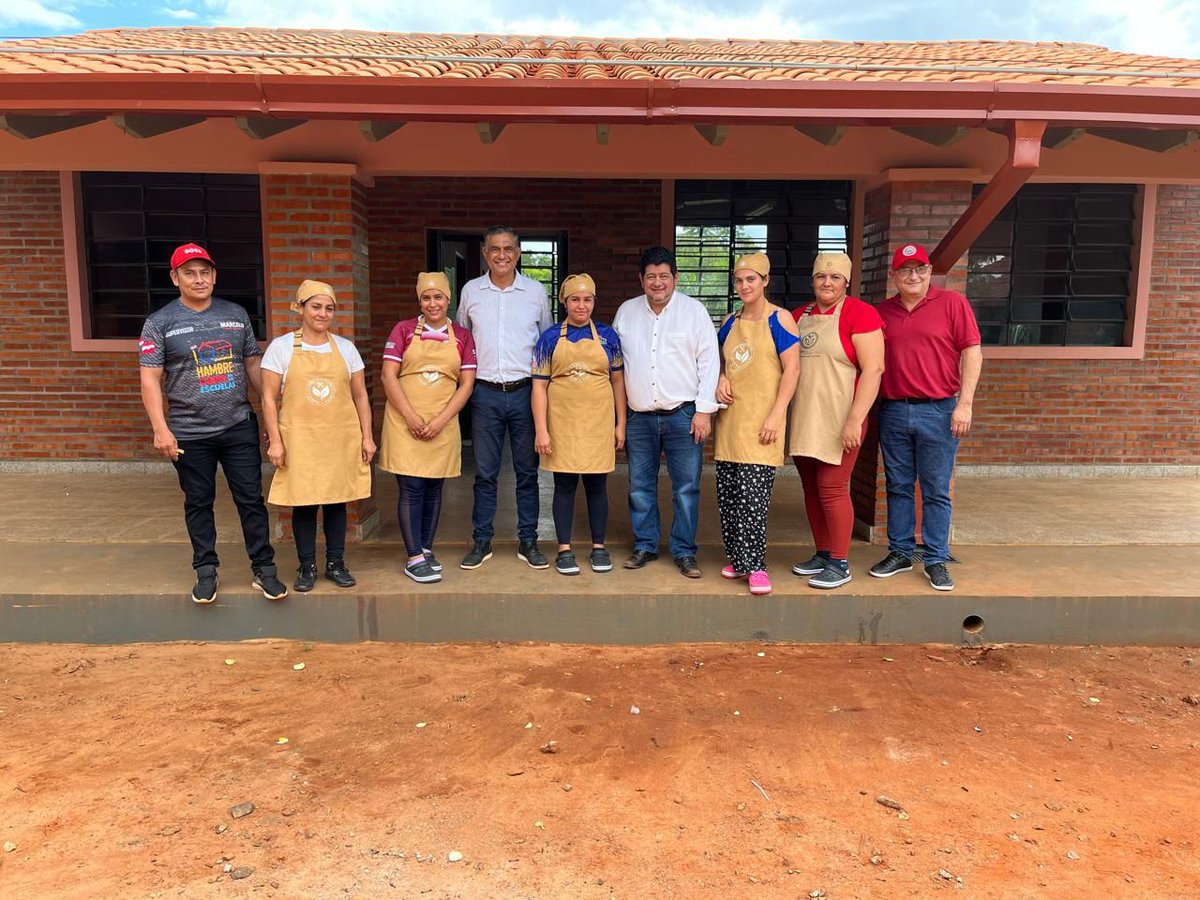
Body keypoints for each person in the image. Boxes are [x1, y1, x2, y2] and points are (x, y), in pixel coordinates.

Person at [138, 243, 288, 604]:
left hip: (237, 424)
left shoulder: (237, 315)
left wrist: (273, 414)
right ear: (175, 278)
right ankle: (206, 571)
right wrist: (161, 428)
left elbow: (253, 365)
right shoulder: (159, 323)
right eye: (189, 272)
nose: (199, 278)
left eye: (205, 272)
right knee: (198, 502)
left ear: (215, 275)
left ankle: (263, 568)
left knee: (251, 499)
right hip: (189, 431)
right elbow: (149, 379)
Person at [869, 243, 983, 592]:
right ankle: (901, 552)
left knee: (935, 489)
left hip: (939, 408)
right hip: (893, 408)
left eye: (919, 269)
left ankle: (935, 558)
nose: (913, 276)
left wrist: (965, 403)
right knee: (898, 485)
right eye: (905, 270)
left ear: (930, 272)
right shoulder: (882, 313)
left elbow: (972, 352)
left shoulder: (952, 304)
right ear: (895, 276)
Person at [260, 280, 375, 592]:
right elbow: (268, 399)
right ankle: (306, 564)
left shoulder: (346, 349)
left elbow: (361, 396)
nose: (323, 313)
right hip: (300, 439)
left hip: (339, 438)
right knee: (305, 503)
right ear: (300, 308)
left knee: (337, 501)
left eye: (329, 308)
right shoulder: (281, 348)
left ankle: (336, 563)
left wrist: (367, 437)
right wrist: (276, 441)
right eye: (316, 306)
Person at [613, 247, 720, 579]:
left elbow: (709, 362)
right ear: (641, 280)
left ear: (676, 277)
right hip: (639, 417)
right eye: (650, 277)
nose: (657, 283)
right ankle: (645, 544)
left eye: (664, 276)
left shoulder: (694, 312)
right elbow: (615, 366)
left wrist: (704, 411)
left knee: (686, 486)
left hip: (683, 414)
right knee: (639, 485)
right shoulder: (627, 312)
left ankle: (684, 551)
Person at [454, 227, 552, 570]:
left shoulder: (536, 292)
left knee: (528, 472)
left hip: (526, 392)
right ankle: (482, 540)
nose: (501, 255)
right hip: (485, 394)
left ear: (519, 252)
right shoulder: (471, 292)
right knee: (485, 473)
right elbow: (460, 340)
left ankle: (529, 540)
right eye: (494, 249)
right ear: (484, 252)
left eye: (508, 249)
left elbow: (546, 345)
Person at [788, 252, 885, 589]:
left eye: (834, 278)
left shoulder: (861, 314)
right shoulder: (799, 315)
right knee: (812, 490)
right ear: (813, 280)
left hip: (841, 417)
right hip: (803, 416)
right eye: (820, 277)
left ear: (846, 281)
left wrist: (854, 421)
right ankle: (823, 552)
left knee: (831, 488)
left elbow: (873, 370)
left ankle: (840, 562)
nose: (826, 283)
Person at [380, 272, 478, 584]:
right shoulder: (404, 330)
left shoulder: (462, 336)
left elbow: (467, 384)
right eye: (426, 297)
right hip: (404, 422)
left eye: (438, 297)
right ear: (419, 300)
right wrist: (410, 416)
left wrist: (442, 419)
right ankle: (413, 557)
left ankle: (425, 548)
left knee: (435, 486)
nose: (432, 303)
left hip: (443, 422)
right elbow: (387, 375)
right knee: (412, 487)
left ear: (449, 301)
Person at [713, 251, 800, 596]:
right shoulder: (730, 320)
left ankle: (757, 566)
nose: (745, 285)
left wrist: (777, 414)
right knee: (729, 495)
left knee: (753, 498)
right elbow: (719, 362)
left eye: (752, 279)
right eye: (739, 280)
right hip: (731, 419)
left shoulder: (781, 320)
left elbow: (792, 370)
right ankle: (738, 559)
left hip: (763, 420)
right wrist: (720, 378)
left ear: (765, 281)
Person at [531, 274, 626, 576]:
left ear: (594, 301)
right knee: (564, 486)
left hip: (598, 423)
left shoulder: (609, 337)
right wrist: (541, 430)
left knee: (597, 486)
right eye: (575, 299)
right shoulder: (548, 339)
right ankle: (564, 549)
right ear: (565, 302)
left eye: (587, 299)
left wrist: (620, 423)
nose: (581, 305)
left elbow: (618, 382)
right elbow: (538, 388)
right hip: (562, 425)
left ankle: (599, 546)